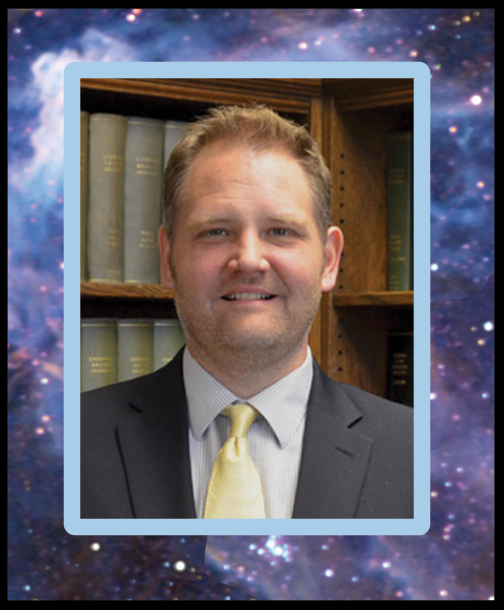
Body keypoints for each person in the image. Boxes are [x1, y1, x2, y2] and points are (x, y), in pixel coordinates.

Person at [81, 105, 413, 519]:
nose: (250, 260)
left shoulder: (422, 456)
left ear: (329, 260)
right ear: (168, 260)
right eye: (216, 232)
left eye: (280, 232)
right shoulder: (61, 448)